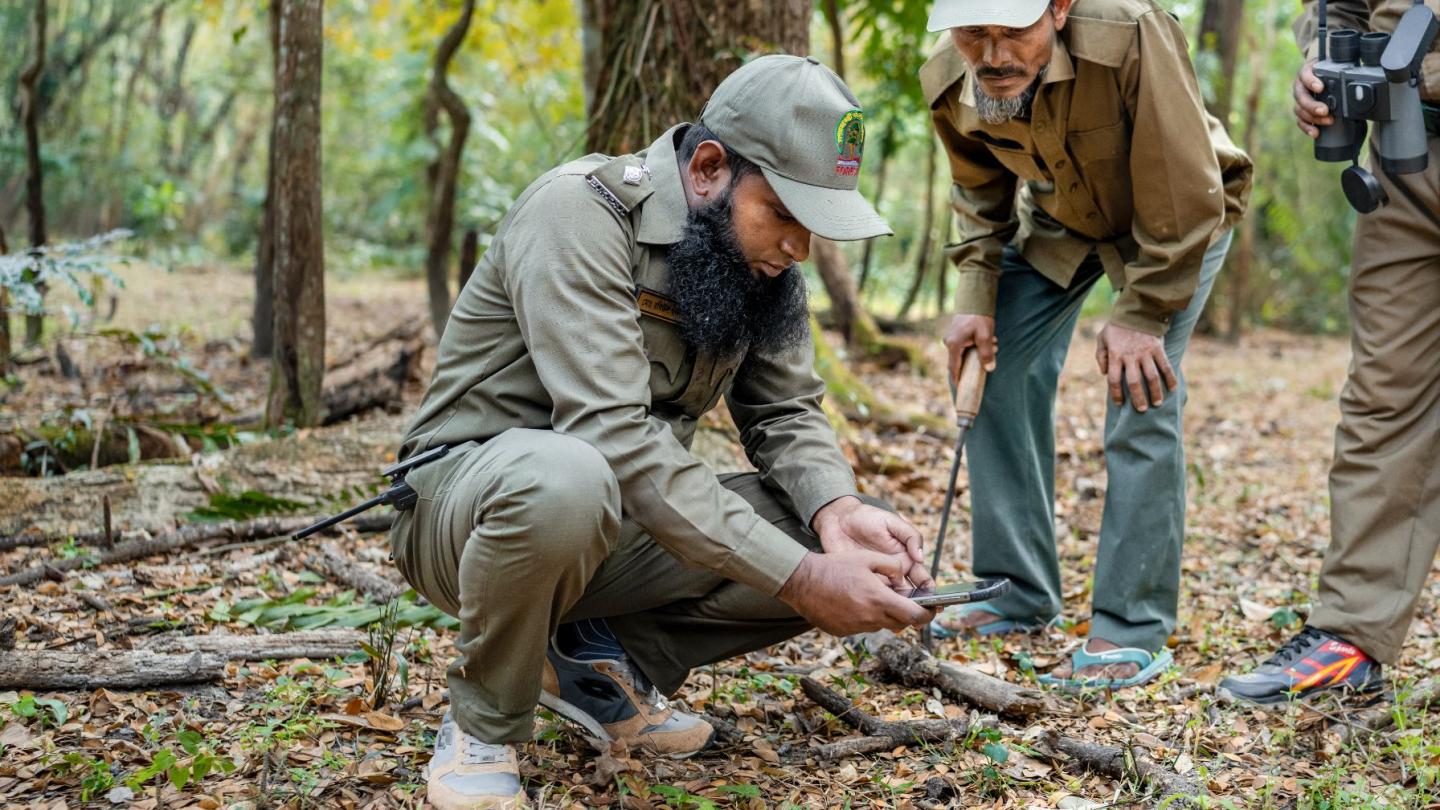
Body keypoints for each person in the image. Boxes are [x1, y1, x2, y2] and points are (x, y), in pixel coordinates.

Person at [388, 55, 938, 809]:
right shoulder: (578, 214)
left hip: (612, 518)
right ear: (709, 169)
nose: (799, 248)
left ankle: (590, 665)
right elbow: (612, 438)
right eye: (784, 213)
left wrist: (837, 513)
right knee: (569, 480)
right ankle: (483, 722)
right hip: (465, 514)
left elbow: (785, 412)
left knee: (834, 534)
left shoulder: (757, 261)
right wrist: (802, 580)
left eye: (812, 226)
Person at [920, 0, 1252, 689]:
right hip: (1062, 222)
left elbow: (1187, 190)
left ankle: (1131, 628)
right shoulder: (951, 74)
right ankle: (1016, 590)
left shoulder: (1130, 32)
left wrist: (1144, 313)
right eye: (974, 33)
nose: (993, 55)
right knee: (991, 368)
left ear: (1060, 7)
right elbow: (977, 187)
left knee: (1140, 385)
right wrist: (975, 296)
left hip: (1177, 224)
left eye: (1014, 31)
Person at [1217, 0, 1439, 705]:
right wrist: (1320, 61)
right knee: (1383, 397)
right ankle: (1350, 636)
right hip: (1404, 158)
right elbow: (1336, 8)